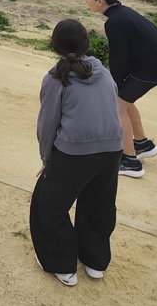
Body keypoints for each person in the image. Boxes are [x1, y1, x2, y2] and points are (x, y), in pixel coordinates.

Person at [30, 19, 123, 287]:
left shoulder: (55, 78)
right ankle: (95, 262)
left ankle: (62, 265)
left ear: (53, 45)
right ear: (86, 44)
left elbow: (47, 124)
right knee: (99, 205)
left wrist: (47, 159)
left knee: (48, 205)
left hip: (73, 152)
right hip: (112, 149)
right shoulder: (103, 72)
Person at [85, 0, 157, 178]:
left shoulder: (114, 22)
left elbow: (119, 59)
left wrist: (113, 84)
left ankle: (130, 161)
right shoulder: (122, 13)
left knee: (118, 106)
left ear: (100, 1)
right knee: (125, 101)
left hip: (154, 68)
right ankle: (143, 144)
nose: (86, 1)